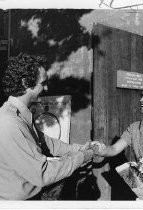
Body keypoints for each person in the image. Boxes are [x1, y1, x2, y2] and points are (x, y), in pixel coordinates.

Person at [0, 53, 93, 200]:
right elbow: (42, 174)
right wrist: (81, 157)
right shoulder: (9, 123)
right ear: (25, 83)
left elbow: (47, 143)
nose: (47, 88)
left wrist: (79, 149)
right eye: (43, 83)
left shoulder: (18, 115)